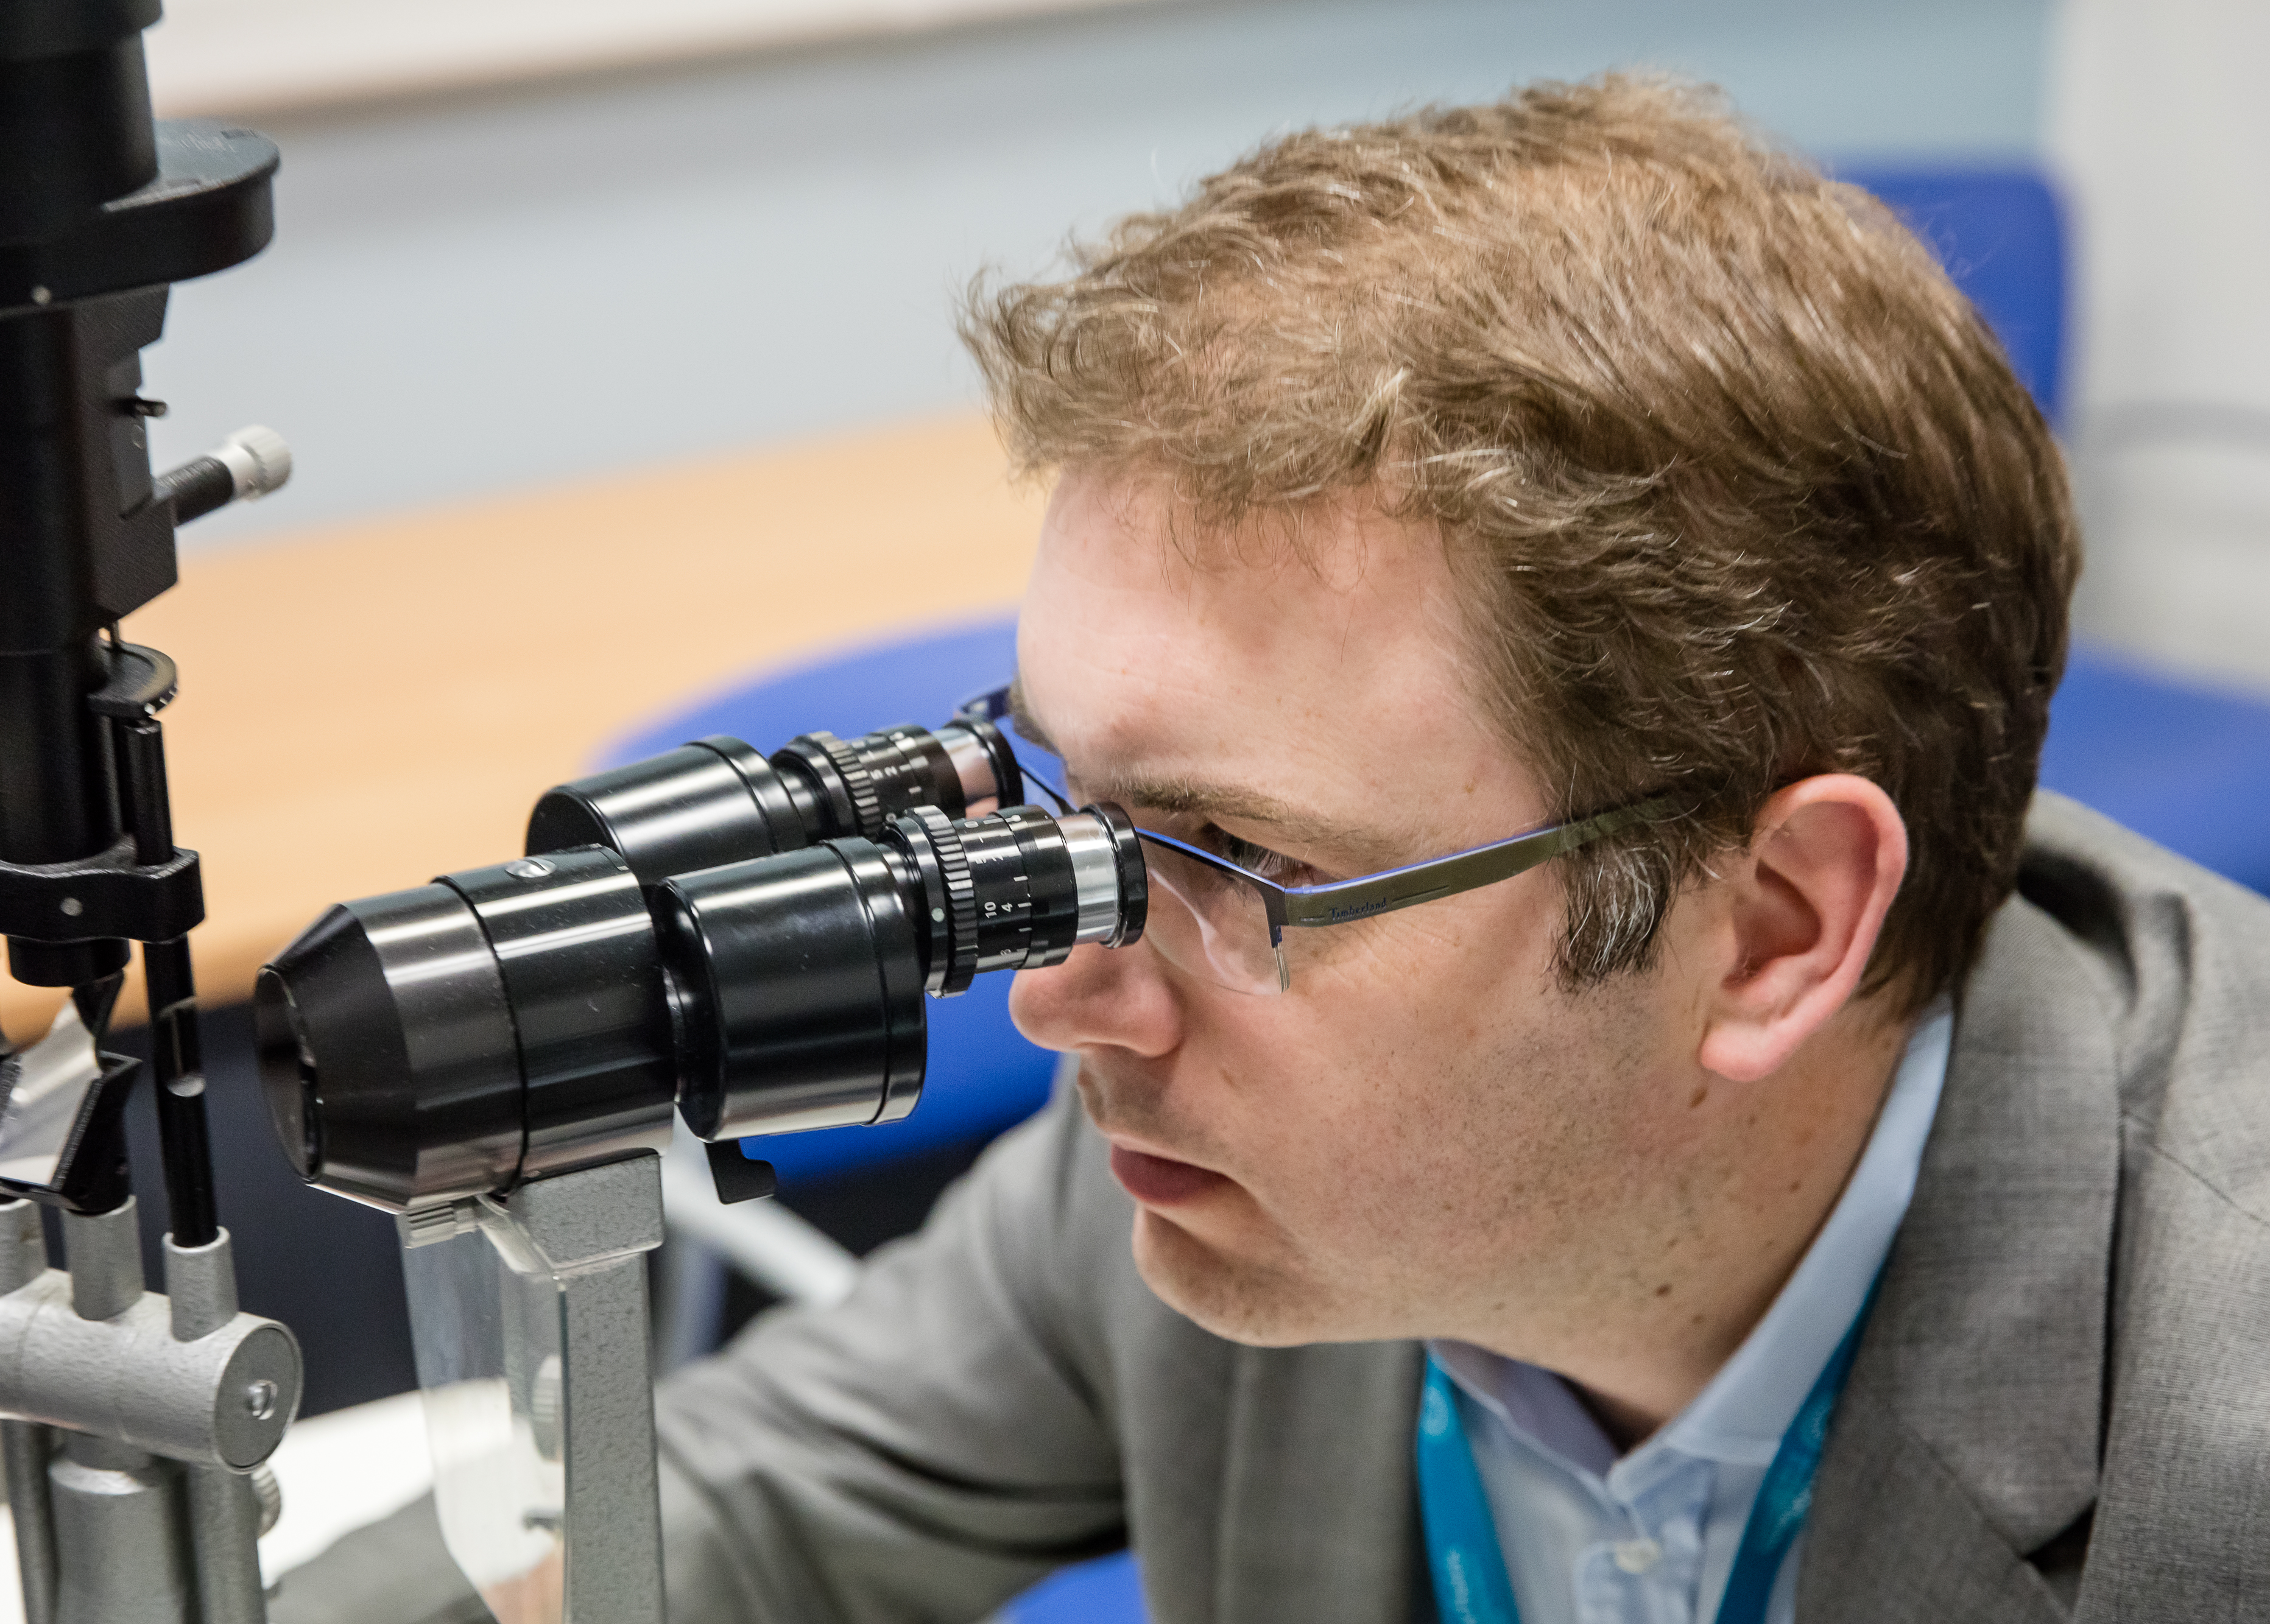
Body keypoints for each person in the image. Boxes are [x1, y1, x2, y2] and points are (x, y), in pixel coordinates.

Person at [653, 75, 2270, 1623]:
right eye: (1076, 804)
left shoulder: (2223, 1459)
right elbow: (719, 1506)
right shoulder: (1208, 1156)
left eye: (1231, 847)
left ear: (1775, 926)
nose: (1064, 994)